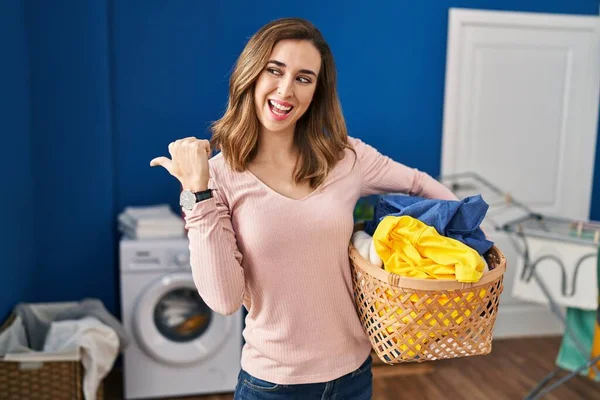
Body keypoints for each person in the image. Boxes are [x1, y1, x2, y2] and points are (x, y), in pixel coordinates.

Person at [150, 17, 457, 400]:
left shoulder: (345, 158)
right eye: (274, 71)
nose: (285, 90)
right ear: (251, 75)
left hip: (354, 376)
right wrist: (197, 193)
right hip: (273, 385)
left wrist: (472, 239)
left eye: (303, 78)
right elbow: (224, 300)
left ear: (316, 91)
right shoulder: (218, 177)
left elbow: (418, 183)